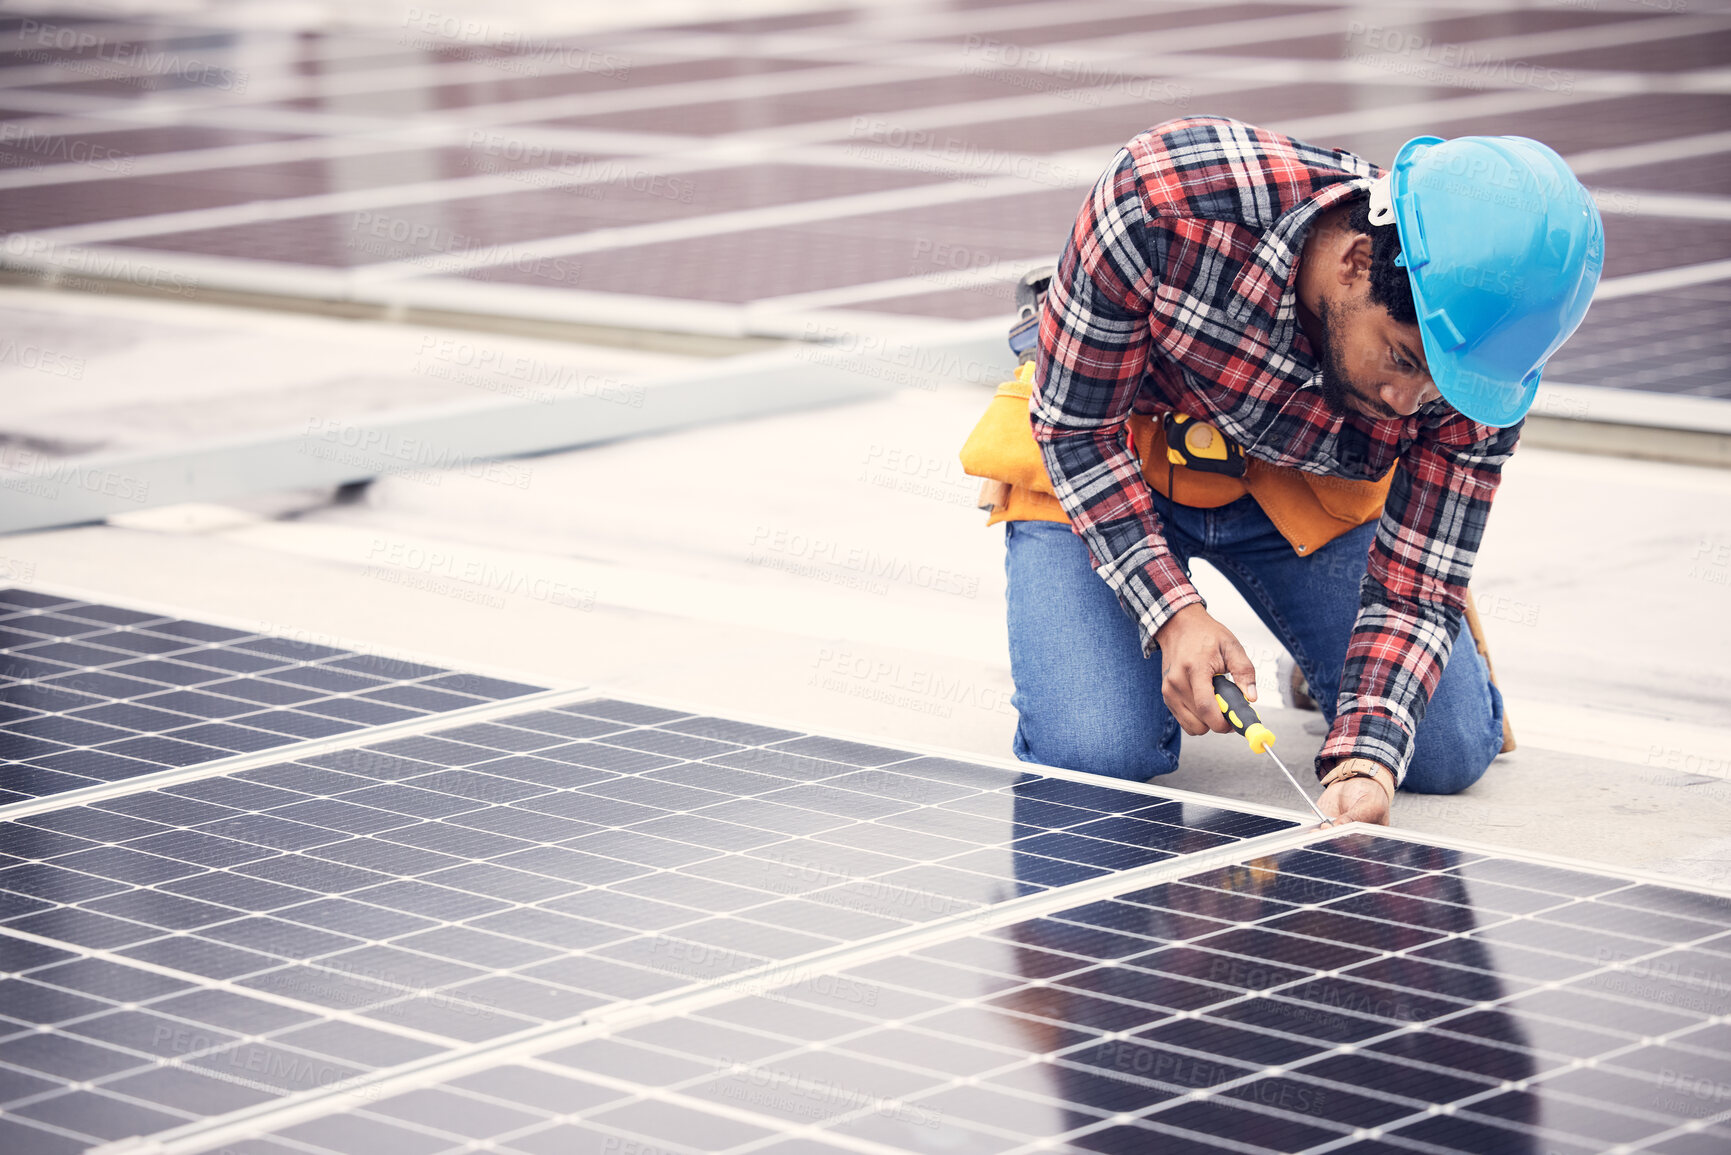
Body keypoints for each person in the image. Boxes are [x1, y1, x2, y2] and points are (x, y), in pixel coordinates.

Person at [960, 116, 1603, 826]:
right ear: (1355, 261)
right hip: (1117, 450)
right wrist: (1172, 613)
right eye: (1400, 360)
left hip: (1298, 481)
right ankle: (1066, 310)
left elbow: (1418, 582)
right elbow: (1077, 430)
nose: (1405, 403)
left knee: (1439, 756)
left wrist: (1365, 760)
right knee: (1099, 753)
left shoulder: (1482, 367)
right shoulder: (1160, 201)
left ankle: (1330, 651)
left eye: (1436, 388)